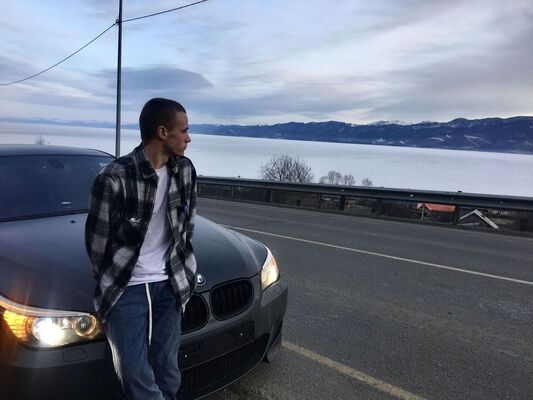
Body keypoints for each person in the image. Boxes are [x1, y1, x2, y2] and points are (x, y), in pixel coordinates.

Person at [85, 97, 197, 400]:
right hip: (127, 287)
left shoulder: (185, 170)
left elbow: (186, 229)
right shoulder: (114, 177)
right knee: (134, 375)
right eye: (184, 131)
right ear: (162, 132)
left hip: (171, 283)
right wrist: (112, 279)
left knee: (167, 371)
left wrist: (185, 272)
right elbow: (97, 245)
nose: (188, 138)